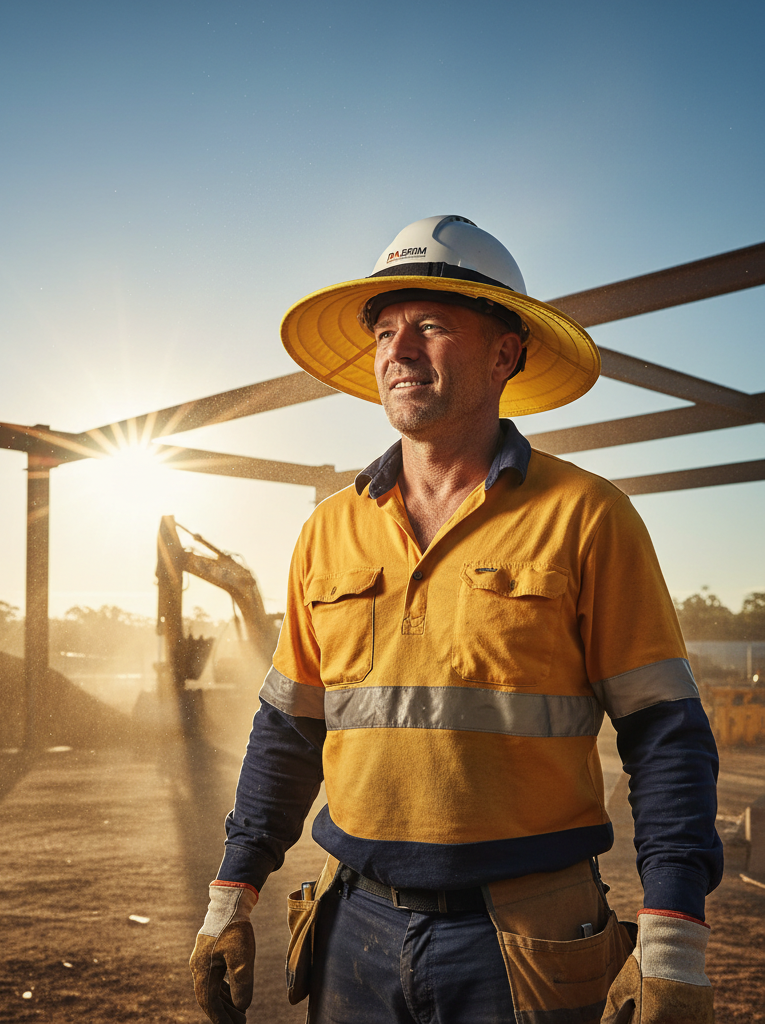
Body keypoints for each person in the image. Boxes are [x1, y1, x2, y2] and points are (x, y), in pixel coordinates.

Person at [189, 216, 722, 1024]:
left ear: (505, 353)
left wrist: (674, 938)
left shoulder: (588, 517)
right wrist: (231, 895)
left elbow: (664, 734)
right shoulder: (329, 528)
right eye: (386, 330)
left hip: (529, 936)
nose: (399, 351)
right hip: (351, 928)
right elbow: (288, 730)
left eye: (431, 326)